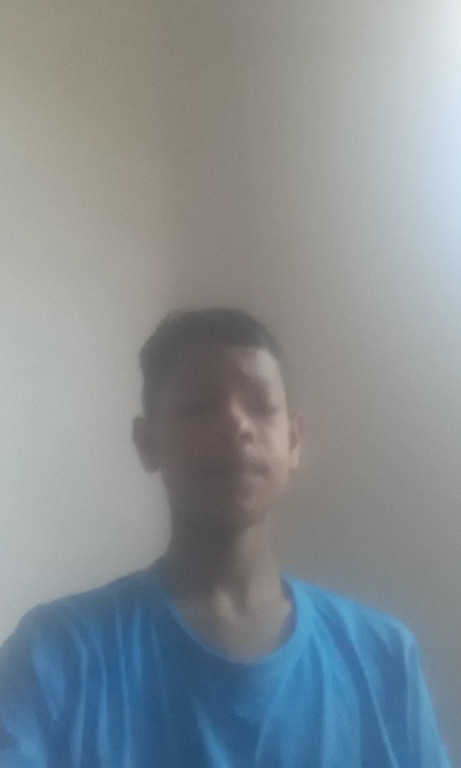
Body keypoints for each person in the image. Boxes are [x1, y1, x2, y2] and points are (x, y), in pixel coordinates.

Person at [0, 307, 451, 767]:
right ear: (147, 441)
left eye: (261, 405)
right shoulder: (57, 656)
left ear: (293, 441)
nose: (237, 424)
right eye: (198, 407)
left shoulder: (384, 658)